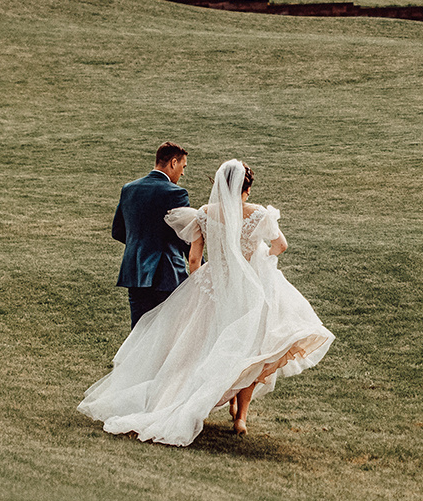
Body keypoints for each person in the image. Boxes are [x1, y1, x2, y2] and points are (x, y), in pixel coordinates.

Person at [80, 159, 335, 445]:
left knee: (204, 350)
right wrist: (260, 257)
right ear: (246, 188)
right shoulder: (259, 214)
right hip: (249, 290)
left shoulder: (204, 214)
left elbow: (193, 260)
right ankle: (241, 417)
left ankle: (182, 401)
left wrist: (204, 284)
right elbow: (281, 246)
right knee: (251, 347)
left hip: (215, 288)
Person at [112, 142, 190, 328]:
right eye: (183, 166)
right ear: (173, 162)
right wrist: (201, 267)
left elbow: (118, 231)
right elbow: (186, 238)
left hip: (135, 273)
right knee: (168, 335)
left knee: (139, 335)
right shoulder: (176, 192)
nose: (183, 173)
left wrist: (141, 245)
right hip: (167, 275)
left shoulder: (129, 189)